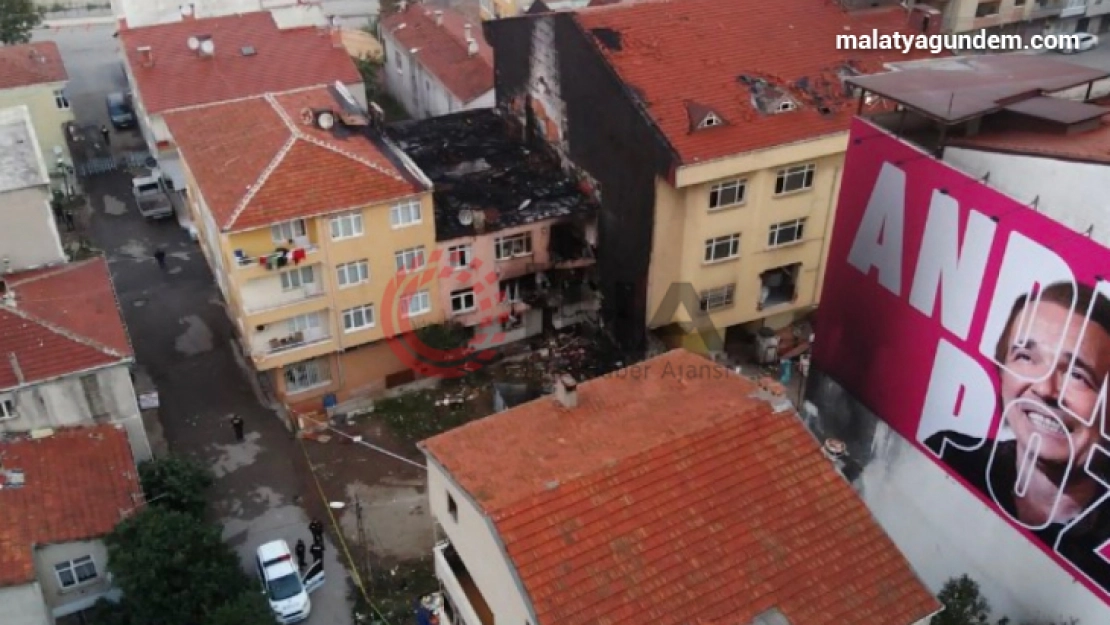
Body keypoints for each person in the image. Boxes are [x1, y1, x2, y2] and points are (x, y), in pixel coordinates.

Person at [925, 281, 1110, 591]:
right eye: (1026, 357)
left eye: (1077, 375)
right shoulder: (948, 455)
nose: (1044, 389)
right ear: (1001, 369)